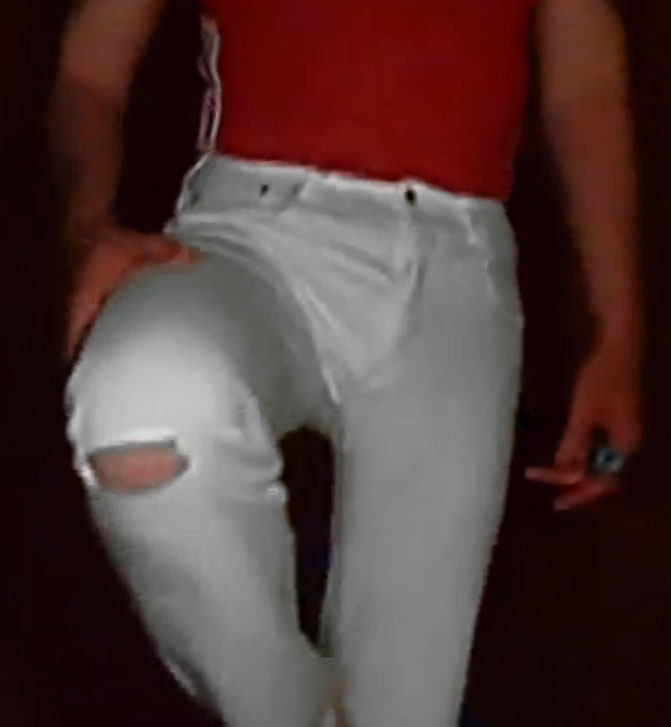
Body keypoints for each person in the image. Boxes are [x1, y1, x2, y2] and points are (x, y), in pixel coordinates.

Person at [48, 0, 644, 725]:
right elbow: (91, 67)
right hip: (246, 233)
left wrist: (618, 331)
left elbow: (584, 80)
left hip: (456, 273)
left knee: (405, 706)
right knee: (141, 396)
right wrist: (88, 227)